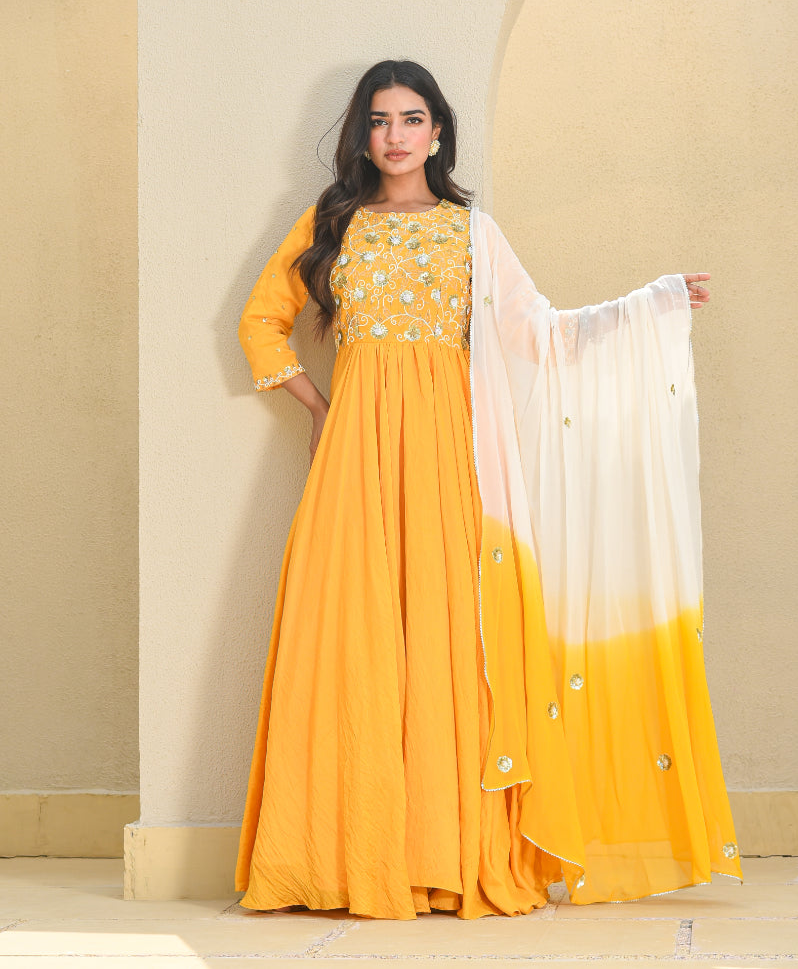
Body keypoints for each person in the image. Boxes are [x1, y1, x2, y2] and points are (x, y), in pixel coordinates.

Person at [234, 59, 742, 921]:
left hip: (449, 454)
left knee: (447, 643)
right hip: (355, 452)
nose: (394, 135)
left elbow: (537, 333)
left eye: (411, 118)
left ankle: (445, 856)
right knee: (351, 638)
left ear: (437, 132)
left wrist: (649, 307)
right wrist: (321, 407)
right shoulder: (332, 223)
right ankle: (345, 854)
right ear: (363, 134)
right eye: (379, 120)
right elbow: (258, 320)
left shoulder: (471, 231)